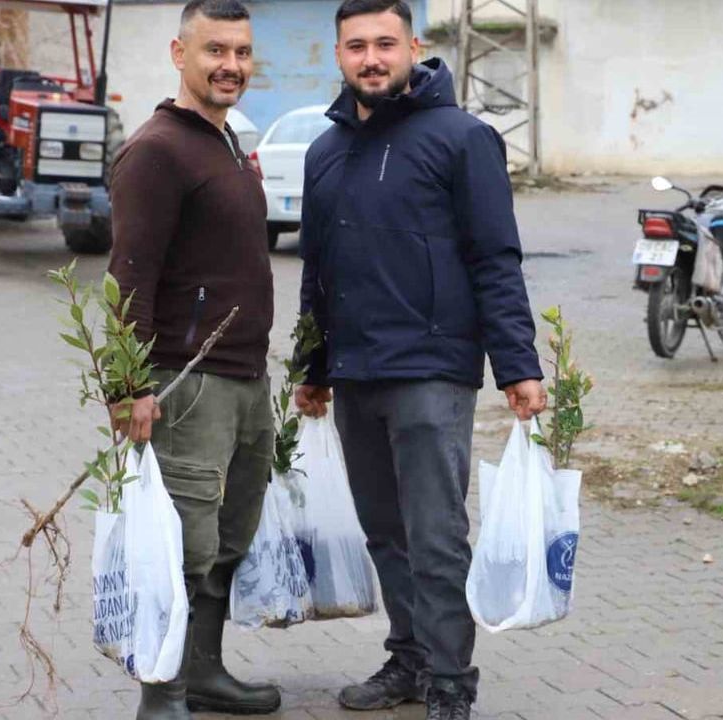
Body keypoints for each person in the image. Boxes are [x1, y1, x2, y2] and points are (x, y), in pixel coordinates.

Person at [294, 1, 547, 718]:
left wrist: (519, 366)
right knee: (384, 531)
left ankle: (450, 681)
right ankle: (407, 659)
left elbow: (495, 258)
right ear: (338, 54)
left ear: (414, 46)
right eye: (355, 46)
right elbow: (317, 270)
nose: (370, 58)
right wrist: (312, 370)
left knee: (435, 534)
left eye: (384, 43)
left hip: (433, 368)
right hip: (355, 373)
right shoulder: (324, 152)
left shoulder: (464, 139)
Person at [107, 1, 279, 717]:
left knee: (229, 536)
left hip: (244, 378)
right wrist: (127, 386)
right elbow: (130, 277)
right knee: (183, 544)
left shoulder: (227, 141)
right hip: (188, 384)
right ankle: (162, 691)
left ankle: (203, 671)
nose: (230, 65)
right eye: (215, 51)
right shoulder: (157, 150)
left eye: (241, 52)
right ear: (180, 53)